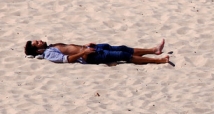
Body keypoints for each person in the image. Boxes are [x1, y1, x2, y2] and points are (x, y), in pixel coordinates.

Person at [24, 39, 169, 65]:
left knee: (122, 48)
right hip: (89, 56)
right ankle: (159, 60)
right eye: (37, 43)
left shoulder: (51, 46)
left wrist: (84, 46)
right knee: (124, 56)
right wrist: (83, 52)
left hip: (89, 49)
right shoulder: (49, 54)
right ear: (38, 50)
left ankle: (153, 50)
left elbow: (70, 47)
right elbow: (67, 59)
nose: (40, 40)